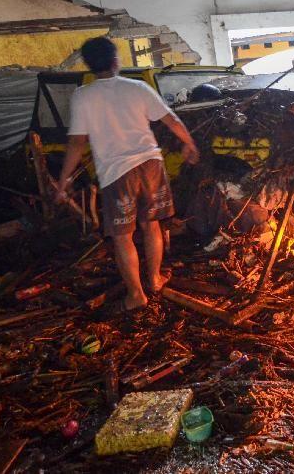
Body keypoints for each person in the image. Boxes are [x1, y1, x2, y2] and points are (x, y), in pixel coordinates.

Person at [54, 37, 200, 312]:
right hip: (151, 166)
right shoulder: (138, 88)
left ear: (88, 65)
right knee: (151, 225)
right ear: (115, 60)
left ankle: (136, 295)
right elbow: (171, 119)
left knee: (123, 236)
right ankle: (155, 280)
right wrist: (189, 143)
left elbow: (76, 143)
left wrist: (63, 181)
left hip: (117, 173)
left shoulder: (83, 96)